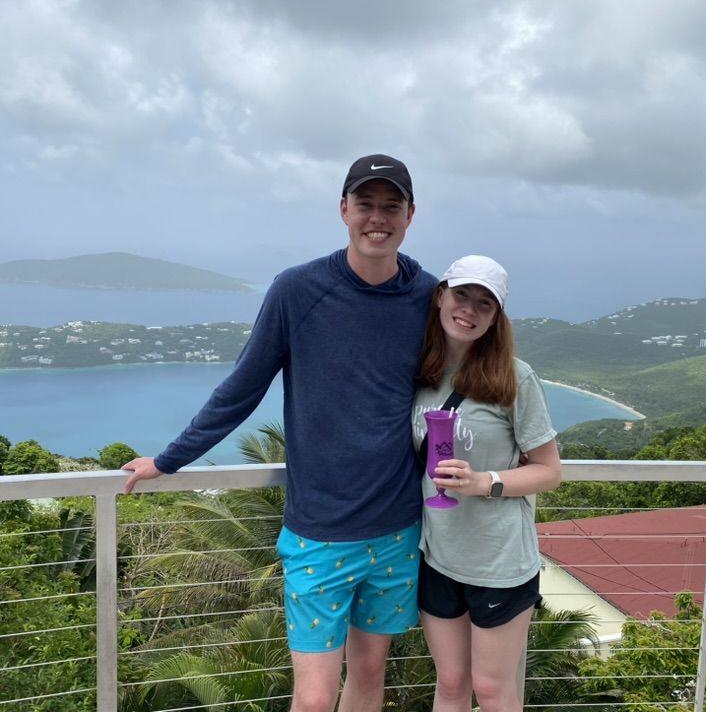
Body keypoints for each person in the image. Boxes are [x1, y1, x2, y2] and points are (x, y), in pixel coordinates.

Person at [121, 154, 437, 712]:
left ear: (411, 215)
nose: (377, 218)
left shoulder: (427, 297)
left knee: (368, 675)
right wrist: (169, 460)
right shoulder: (299, 289)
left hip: (397, 525)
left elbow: (459, 385)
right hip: (319, 529)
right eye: (366, 204)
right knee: (314, 698)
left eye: (392, 207)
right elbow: (244, 386)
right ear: (343, 209)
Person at [411, 255, 561, 712]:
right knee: (452, 684)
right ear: (441, 295)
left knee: (493, 690)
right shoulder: (423, 372)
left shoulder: (514, 376)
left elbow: (549, 470)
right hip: (438, 556)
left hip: (499, 562)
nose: (469, 310)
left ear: (496, 317)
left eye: (484, 303)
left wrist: (483, 481)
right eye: (462, 295)